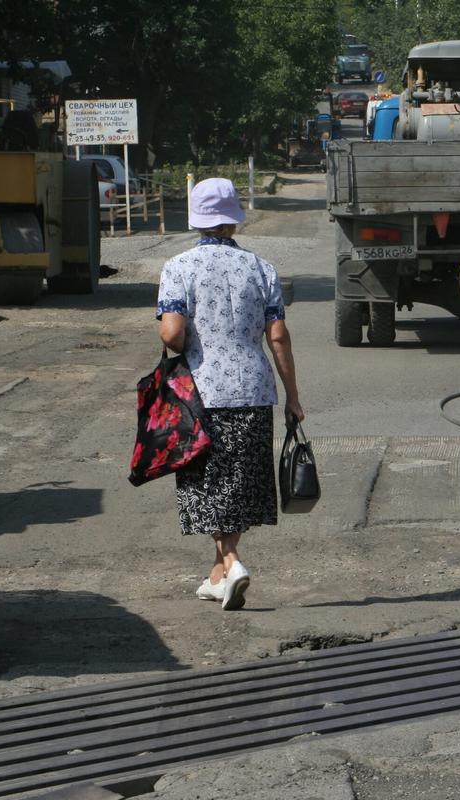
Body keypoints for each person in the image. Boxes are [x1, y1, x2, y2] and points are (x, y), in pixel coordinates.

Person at [156, 178, 304, 610]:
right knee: (237, 484)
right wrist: (293, 396)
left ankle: (234, 563)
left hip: (201, 392)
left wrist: (185, 344)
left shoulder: (178, 267)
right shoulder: (262, 268)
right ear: (233, 221)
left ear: (197, 219)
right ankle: (218, 577)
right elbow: (277, 337)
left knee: (207, 484)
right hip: (255, 389)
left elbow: (172, 333)